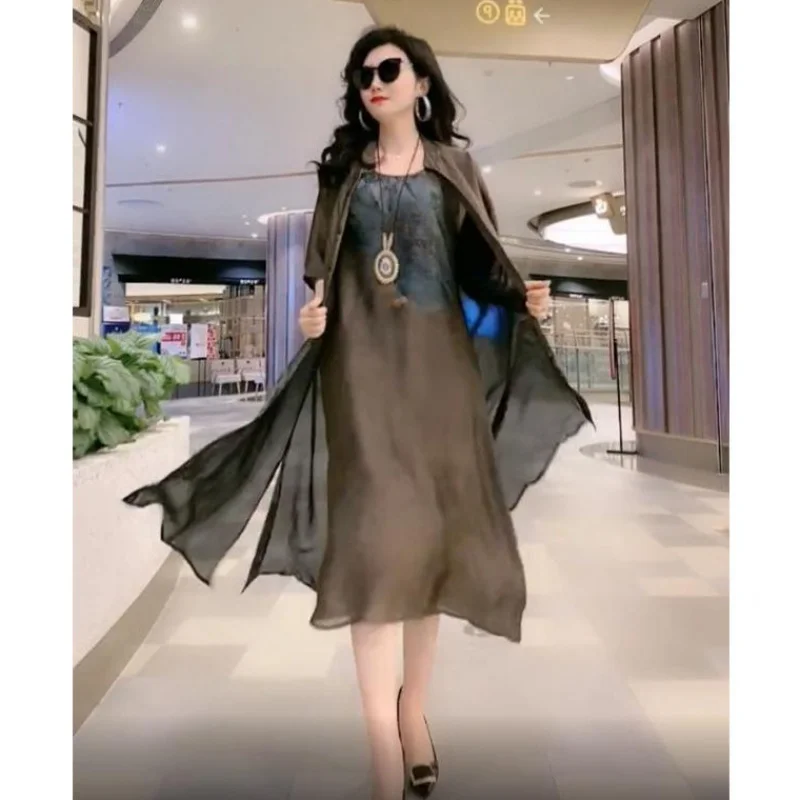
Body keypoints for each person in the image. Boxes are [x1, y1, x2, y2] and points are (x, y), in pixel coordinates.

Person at [124, 25, 591, 800]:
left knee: (428, 549)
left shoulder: (454, 168)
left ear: (421, 84)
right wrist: (312, 315)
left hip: (439, 382)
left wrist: (521, 299)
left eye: (387, 69)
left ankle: (413, 712)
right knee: (374, 548)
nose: (372, 82)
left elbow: (477, 276)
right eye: (361, 74)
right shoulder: (342, 173)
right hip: (361, 380)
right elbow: (324, 278)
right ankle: (382, 744)